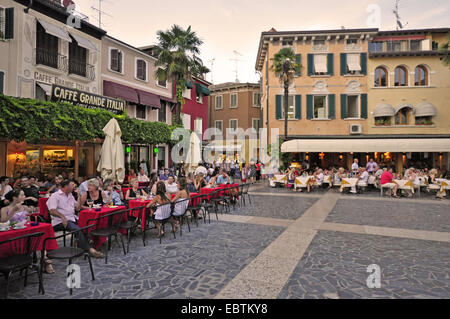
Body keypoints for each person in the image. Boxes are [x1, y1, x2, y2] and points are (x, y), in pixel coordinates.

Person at [47, 180, 104, 260]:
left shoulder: (70, 195)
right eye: (72, 185)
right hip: (60, 221)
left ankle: (80, 243)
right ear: (66, 187)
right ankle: (90, 250)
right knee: (76, 229)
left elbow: (77, 207)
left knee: (86, 224)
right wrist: (62, 216)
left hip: (72, 218)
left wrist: (79, 196)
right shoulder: (55, 196)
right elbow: (52, 210)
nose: (74, 186)